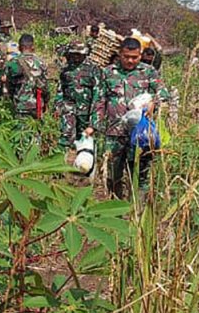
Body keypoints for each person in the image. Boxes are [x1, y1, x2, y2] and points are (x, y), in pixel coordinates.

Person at [93, 37, 172, 198]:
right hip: (114, 133)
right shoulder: (107, 73)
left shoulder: (149, 72)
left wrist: (153, 103)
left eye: (134, 57)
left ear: (140, 55)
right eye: (126, 57)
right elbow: (99, 101)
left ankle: (138, 211)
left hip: (141, 134)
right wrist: (94, 127)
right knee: (113, 174)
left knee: (140, 174)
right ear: (119, 54)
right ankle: (115, 210)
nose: (130, 61)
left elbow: (163, 94)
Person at [3, 33, 49, 153]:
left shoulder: (13, 63)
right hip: (38, 105)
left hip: (21, 105)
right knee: (36, 135)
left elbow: (9, 85)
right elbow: (46, 87)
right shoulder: (41, 63)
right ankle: (35, 160)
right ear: (33, 46)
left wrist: (13, 98)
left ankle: (21, 162)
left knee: (21, 135)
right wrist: (46, 103)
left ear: (19, 47)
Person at [56, 41, 99, 148]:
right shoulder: (66, 70)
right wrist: (58, 106)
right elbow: (60, 89)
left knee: (85, 141)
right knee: (65, 137)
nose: (76, 57)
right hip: (69, 109)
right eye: (73, 54)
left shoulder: (93, 70)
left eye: (79, 55)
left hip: (86, 111)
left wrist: (94, 120)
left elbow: (98, 95)